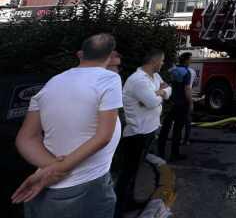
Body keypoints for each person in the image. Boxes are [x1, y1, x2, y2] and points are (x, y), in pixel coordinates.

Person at [12, 33, 122, 218]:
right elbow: (104, 136)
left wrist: (49, 168)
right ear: (110, 56)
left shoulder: (53, 82)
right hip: (86, 187)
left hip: (47, 185)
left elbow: (26, 138)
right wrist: (57, 169)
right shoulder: (108, 79)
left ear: (81, 54)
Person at [115, 49, 171, 216]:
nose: (162, 64)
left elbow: (169, 89)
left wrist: (161, 92)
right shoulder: (138, 80)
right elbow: (152, 102)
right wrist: (159, 95)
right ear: (153, 62)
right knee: (127, 174)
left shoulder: (154, 77)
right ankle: (117, 210)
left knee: (133, 172)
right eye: (161, 61)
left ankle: (128, 202)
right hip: (137, 134)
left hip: (148, 131)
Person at [157, 53, 193, 161]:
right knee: (177, 129)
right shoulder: (187, 72)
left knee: (165, 128)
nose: (191, 61)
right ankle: (174, 154)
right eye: (190, 59)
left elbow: (166, 84)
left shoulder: (172, 70)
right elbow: (187, 89)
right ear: (186, 60)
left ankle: (160, 152)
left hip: (170, 102)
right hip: (182, 104)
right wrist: (191, 102)